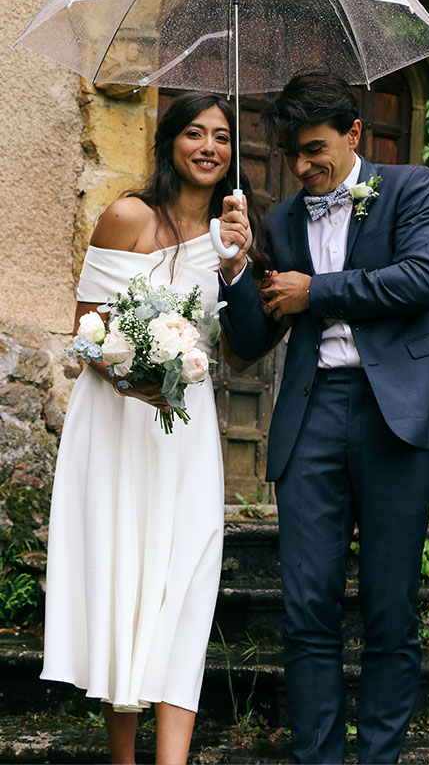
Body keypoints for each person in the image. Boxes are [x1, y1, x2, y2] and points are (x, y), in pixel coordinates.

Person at [218, 71, 429, 764]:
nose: (300, 166)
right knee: (307, 609)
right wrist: (236, 271)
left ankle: (378, 758)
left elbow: (424, 278)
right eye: (291, 151)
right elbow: (253, 342)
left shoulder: (410, 188)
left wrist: (315, 291)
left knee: (389, 609)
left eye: (314, 149)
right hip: (312, 414)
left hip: (396, 419)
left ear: (354, 134)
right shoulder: (283, 220)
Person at [41, 91, 264, 765]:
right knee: (123, 578)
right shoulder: (125, 216)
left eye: (221, 137)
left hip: (183, 435)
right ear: (170, 142)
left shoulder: (234, 233)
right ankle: (122, 758)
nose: (208, 148)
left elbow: (241, 348)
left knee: (185, 583)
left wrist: (240, 266)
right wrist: (135, 375)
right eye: (194, 133)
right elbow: (86, 332)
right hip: (117, 425)